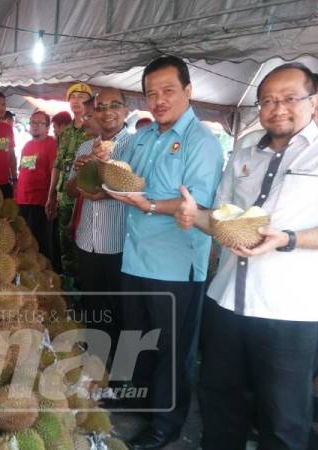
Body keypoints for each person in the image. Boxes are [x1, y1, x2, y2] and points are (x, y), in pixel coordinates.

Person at [175, 62, 318, 450]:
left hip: (289, 313)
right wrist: (194, 216)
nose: (277, 108)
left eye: (290, 98)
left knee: (284, 419)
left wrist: (288, 238)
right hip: (226, 302)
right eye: (268, 100)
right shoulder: (243, 149)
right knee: (219, 401)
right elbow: (221, 217)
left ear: (314, 102)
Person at [96, 55, 224, 449]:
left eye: (168, 90)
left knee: (172, 350)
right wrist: (104, 164)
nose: (159, 100)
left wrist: (149, 205)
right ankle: (139, 398)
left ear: (188, 91)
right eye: (151, 93)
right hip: (135, 257)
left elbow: (196, 208)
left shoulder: (202, 143)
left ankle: (166, 425)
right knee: (139, 337)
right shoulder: (143, 138)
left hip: (175, 266)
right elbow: (121, 175)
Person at [64, 88, 131, 386]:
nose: (107, 112)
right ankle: (96, 370)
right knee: (94, 309)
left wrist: (105, 187)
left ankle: (120, 377)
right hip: (87, 239)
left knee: (120, 310)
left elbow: (140, 190)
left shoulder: (136, 146)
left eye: (113, 106)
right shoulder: (84, 148)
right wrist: (81, 174)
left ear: (126, 110)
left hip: (120, 243)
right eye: (100, 107)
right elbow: (69, 190)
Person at [46, 82, 93, 288]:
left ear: (90, 103)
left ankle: (85, 290)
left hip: (86, 199)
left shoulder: (93, 131)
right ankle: (71, 290)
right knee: (65, 243)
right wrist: (51, 196)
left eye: (82, 97)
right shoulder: (64, 134)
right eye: (72, 97)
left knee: (84, 245)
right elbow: (57, 166)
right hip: (65, 198)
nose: (76, 100)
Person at [15, 111, 57, 260]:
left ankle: (47, 277)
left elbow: (55, 171)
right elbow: (23, 170)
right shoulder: (27, 145)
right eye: (32, 122)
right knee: (24, 240)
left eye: (40, 123)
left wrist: (51, 198)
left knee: (41, 243)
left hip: (40, 201)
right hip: (23, 199)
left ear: (47, 127)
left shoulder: (51, 144)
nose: (35, 126)